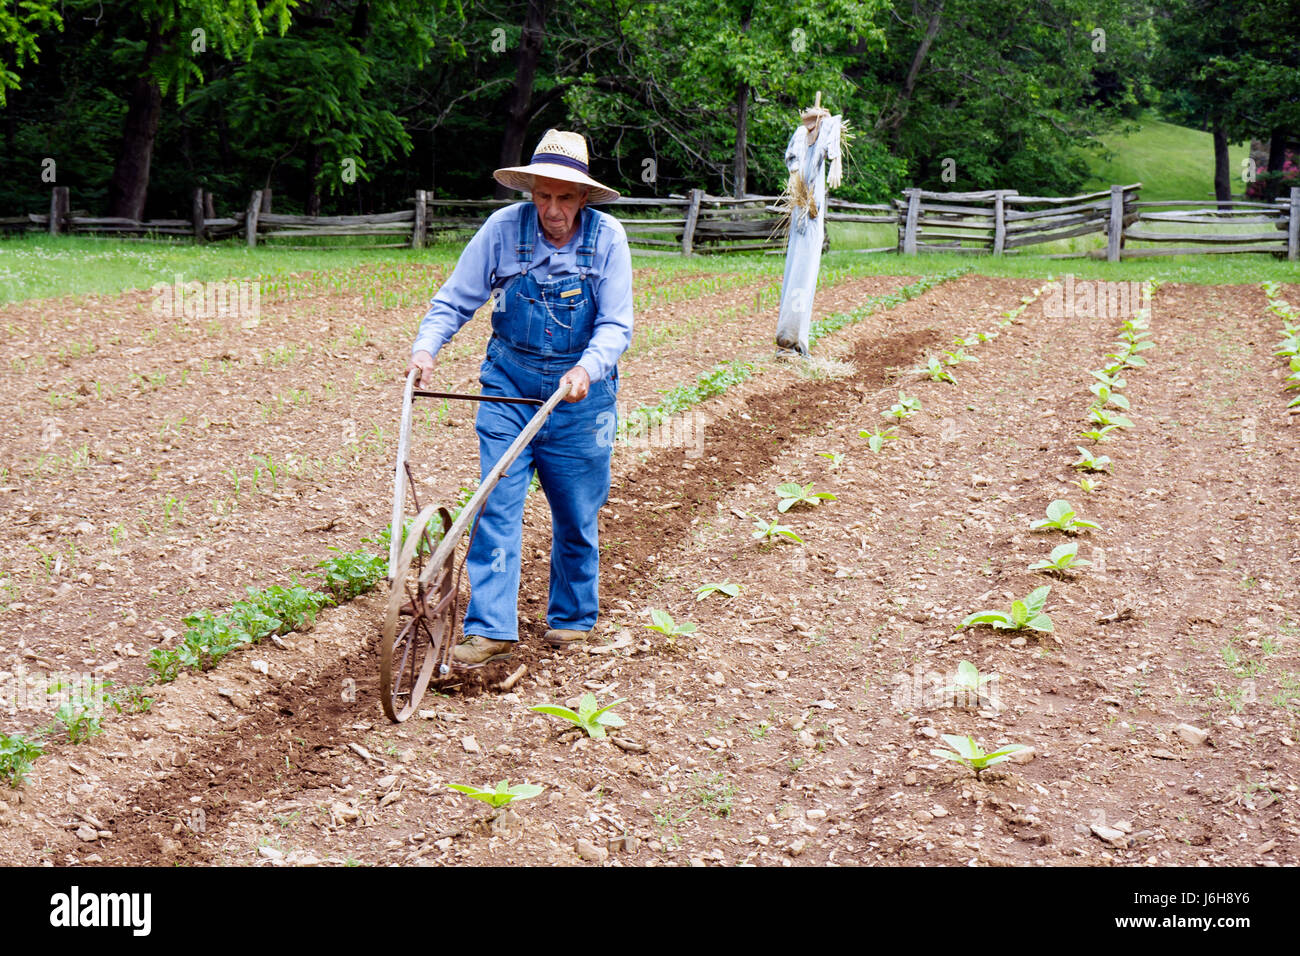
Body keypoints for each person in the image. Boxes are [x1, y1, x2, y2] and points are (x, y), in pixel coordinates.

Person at [407, 129, 633, 667]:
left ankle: (573, 616)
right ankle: (490, 629)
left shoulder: (608, 239)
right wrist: (425, 349)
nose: (552, 209)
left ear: (584, 197)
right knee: (497, 500)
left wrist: (586, 369)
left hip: (581, 395)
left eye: (565, 197)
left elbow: (616, 325)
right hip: (509, 385)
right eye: (543, 195)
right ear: (530, 191)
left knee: (576, 510)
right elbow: (454, 298)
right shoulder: (503, 230)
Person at [775, 96, 844, 356]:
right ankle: (789, 340)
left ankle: (794, 338)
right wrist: (800, 194)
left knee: (804, 269)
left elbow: (832, 144)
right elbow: (794, 168)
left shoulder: (828, 129)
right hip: (801, 210)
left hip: (811, 207)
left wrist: (835, 163)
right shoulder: (800, 137)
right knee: (799, 268)